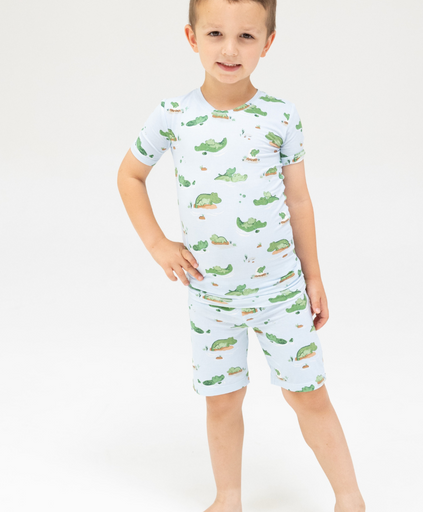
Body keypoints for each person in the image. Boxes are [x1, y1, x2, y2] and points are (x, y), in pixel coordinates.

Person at [117, 1, 365, 510]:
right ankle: (227, 498)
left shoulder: (281, 115)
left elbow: (299, 200)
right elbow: (130, 175)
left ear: (267, 42)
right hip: (210, 297)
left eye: (246, 37)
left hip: (280, 293)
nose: (229, 49)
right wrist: (158, 243)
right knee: (222, 402)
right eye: (215, 34)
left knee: (308, 396)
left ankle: (350, 498)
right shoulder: (173, 115)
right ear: (192, 37)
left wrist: (313, 276)